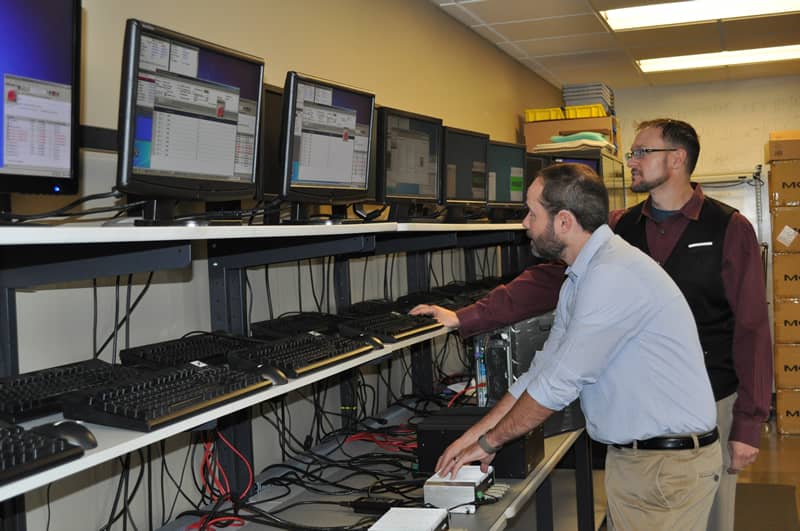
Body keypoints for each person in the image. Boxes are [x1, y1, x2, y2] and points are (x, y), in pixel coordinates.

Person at [412, 118, 772, 531]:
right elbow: (544, 368)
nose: (524, 223)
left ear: (565, 222)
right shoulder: (595, 259)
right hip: (641, 455)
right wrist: (475, 434)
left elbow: (558, 383)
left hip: (670, 457)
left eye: (531, 214)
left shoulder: (619, 270)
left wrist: (490, 442)